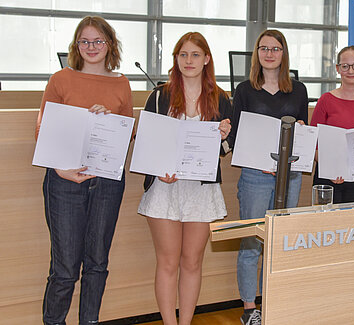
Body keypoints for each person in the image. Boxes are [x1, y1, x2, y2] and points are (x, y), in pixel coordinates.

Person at [36, 16, 133, 325]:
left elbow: (126, 130)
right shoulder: (60, 79)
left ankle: (89, 321)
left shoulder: (122, 83)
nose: (92, 47)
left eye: (98, 41)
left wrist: (108, 119)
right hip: (64, 182)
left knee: (97, 263)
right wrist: (60, 169)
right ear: (76, 46)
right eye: (85, 41)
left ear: (110, 45)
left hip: (106, 183)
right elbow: (43, 131)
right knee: (65, 267)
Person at [137, 32, 232, 325]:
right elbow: (147, 143)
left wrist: (225, 136)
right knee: (167, 262)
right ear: (176, 59)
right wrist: (157, 169)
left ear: (206, 60)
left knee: (192, 262)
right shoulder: (159, 95)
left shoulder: (221, 97)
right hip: (166, 188)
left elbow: (227, 149)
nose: (188, 61)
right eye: (183, 55)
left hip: (201, 190)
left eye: (195, 55)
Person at [230, 29, 308, 325]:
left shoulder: (298, 90)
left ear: (283, 53)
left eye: (276, 49)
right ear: (257, 53)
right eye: (264, 48)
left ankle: (277, 301)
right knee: (252, 243)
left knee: (282, 242)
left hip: (289, 177)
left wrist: (301, 127)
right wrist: (258, 161)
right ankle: (251, 309)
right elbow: (237, 137)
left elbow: (304, 130)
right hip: (255, 176)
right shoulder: (244, 90)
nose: (270, 53)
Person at [310, 45, 354, 203]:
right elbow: (313, 144)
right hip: (328, 178)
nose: (350, 71)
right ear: (338, 68)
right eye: (345, 66)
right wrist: (332, 169)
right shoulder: (325, 100)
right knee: (325, 226)